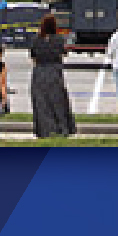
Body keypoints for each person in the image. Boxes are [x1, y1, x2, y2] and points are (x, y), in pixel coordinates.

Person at [27, 11, 78, 140]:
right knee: (58, 102)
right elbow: (63, 54)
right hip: (54, 71)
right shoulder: (59, 39)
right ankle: (62, 128)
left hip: (39, 72)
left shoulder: (36, 40)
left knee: (41, 103)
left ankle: (44, 130)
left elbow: (33, 57)